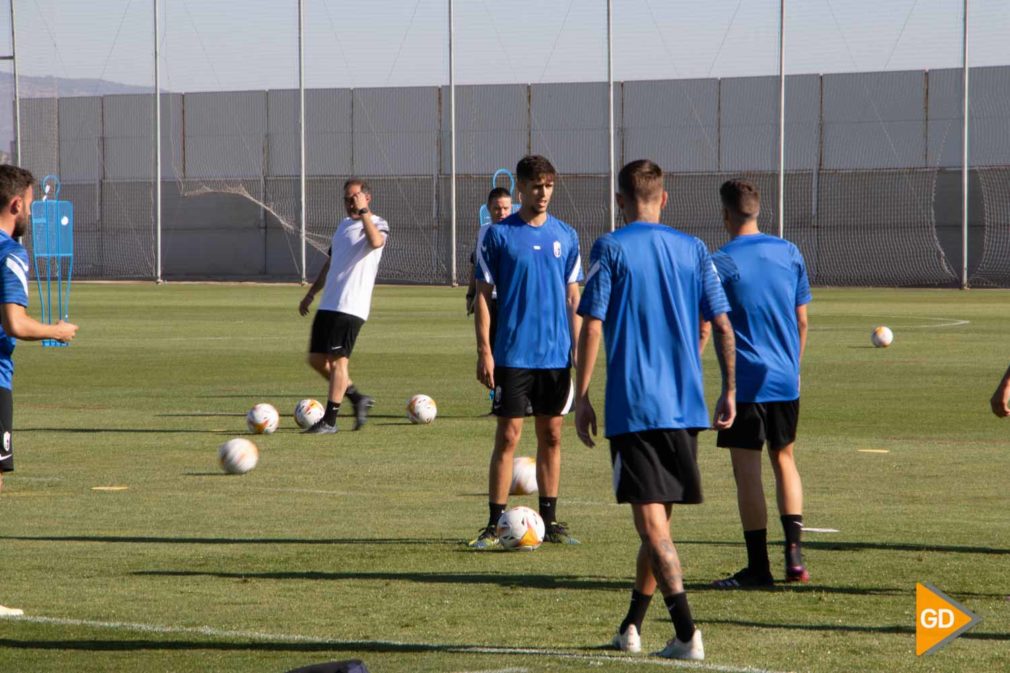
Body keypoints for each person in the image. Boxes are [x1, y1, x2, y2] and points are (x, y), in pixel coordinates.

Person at [575, 159, 736, 660]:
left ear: (621, 201)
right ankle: (631, 627)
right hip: (685, 409)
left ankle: (687, 634)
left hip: (636, 408)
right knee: (657, 525)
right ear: (664, 199)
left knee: (652, 529)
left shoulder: (611, 246)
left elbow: (593, 325)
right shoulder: (694, 249)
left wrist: (580, 396)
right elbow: (722, 326)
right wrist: (728, 389)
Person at [468, 155, 583, 549]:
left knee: (552, 436)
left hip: (555, 356)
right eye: (536, 186)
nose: (543, 193)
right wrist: (485, 350)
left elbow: (573, 297)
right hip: (513, 354)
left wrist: (579, 351)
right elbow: (482, 297)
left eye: (549, 186)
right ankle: (493, 522)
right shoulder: (497, 235)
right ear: (520, 189)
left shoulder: (566, 235)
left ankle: (549, 522)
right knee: (509, 435)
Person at [702, 179, 812, 588]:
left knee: (747, 472)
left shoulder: (719, 262)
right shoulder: (789, 252)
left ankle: (758, 568)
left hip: (744, 383)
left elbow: (711, 325)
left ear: (726, 214)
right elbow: (802, 321)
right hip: (786, 379)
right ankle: (795, 555)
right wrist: (791, 367)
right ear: (758, 210)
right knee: (785, 460)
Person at [0, 164, 78, 616]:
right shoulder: (10, 252)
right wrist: (57, 330)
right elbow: (14, 322)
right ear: (16, 204)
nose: (31, 211)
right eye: (30, 204)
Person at [299, 179, 389, 434]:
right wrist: (311, 294)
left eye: (355, 197)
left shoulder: (378, 223)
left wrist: (364, 214)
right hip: (329, 303)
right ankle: (357, 398)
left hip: (351, 305)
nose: (351, 202)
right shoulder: (342, 226)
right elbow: (331, 263)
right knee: (316, 359)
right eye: (347, 198)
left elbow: (375, 242)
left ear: (366, 198)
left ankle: (330, 420)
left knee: (339, 362)